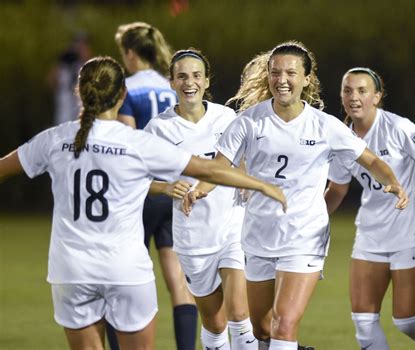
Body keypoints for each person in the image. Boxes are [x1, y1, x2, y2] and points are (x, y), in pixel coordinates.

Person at [0, 56, 286, 350]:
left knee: (236, 313)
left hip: (71, 270)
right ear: (122, 95)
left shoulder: (53, 139)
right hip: (125, 268)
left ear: (79, 92)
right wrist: (262, 184)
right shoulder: (138, 143)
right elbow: (209, 168)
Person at [185, 41, 408, 350]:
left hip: (304, 236)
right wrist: (199, 189)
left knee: (284, 324)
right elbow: (219, 167)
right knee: (263, 329)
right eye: (275, 72)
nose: (282, 79)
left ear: (306, 78)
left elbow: (369, 159)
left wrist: (393, 182)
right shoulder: (249, 122)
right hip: (258, 234)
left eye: (291, 72)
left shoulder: (323, 125)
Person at [324, 67, 415, 350]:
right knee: (363, 321)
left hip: (409, 233)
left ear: (377, 97)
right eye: (348, 90)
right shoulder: (342, 140)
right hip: (370, 236)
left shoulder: (399, 127)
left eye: (362, 91)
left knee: (407, 321)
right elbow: (337, 190)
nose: (354, 97)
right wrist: (311, 218)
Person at [145, 48, 257, 350]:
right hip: (193, 237)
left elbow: (243, 157)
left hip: (233, 227)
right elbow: (133, 179)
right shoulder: (159, 129)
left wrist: (244, 176)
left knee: (239, 314)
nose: (189, 82)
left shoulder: (226, 117)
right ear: (172, 82)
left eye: (196, 75)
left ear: (207, 81)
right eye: (181, 76)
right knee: (215, 323)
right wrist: (166, 188)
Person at [114, 22, 198, 350]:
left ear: (131, 54)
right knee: (178, 281)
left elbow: (126, 144)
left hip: (142, 192)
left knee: (122, 278)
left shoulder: (123, 88)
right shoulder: (172, 84)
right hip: (175, 188)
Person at [47, 32, 92, 125]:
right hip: (65, 98)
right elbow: (51, 78)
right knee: (63, 122)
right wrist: (58, 92)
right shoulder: (64, 61)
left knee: (80, 123)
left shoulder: (85, 62)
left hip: (80, 99)